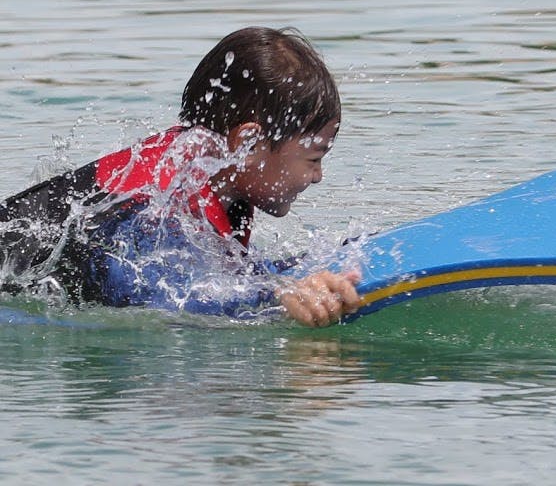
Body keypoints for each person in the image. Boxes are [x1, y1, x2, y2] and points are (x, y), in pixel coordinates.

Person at [0, 26, 362, 327]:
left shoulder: (221, 180)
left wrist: (317, 264)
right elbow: (165, 296)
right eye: (314, 158)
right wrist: (278, 295)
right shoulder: (151, 206)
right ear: (249, 142)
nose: (317, 176)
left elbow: (225, 273)